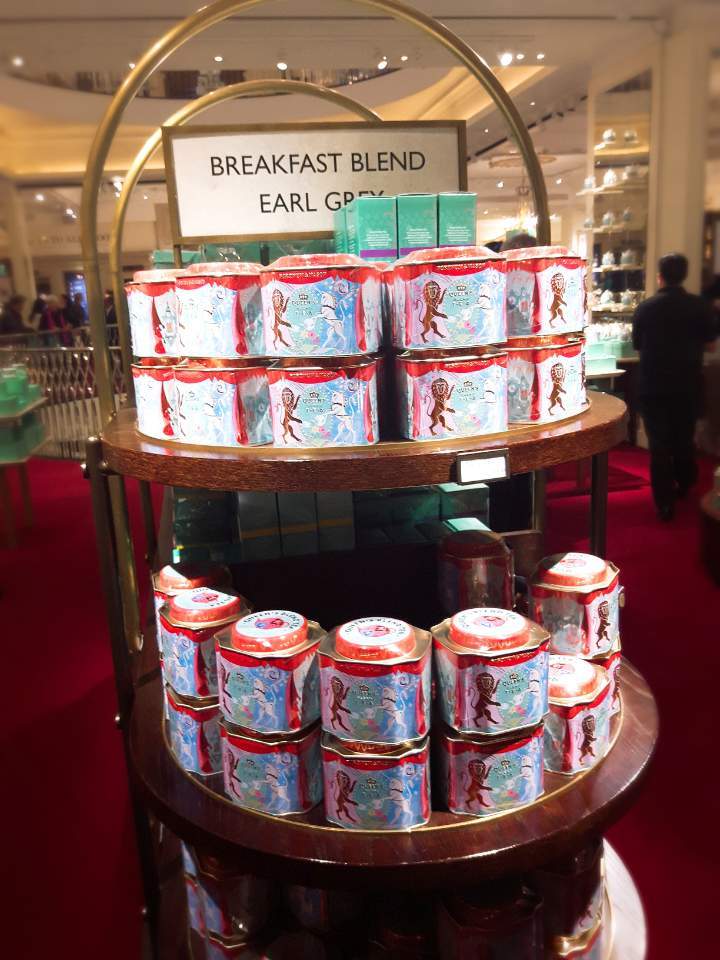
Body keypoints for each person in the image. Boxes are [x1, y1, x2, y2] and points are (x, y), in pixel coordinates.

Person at [632, 252, 717, 521]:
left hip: (653, 384)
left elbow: (637, 345)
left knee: (658, 443)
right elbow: (710, 344)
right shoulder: (699, 307)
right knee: (683, 437)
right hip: (687, 383)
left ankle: (664, 503)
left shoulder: (645, 308)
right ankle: (685, 482)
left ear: (660, 276)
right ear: (685, 275)